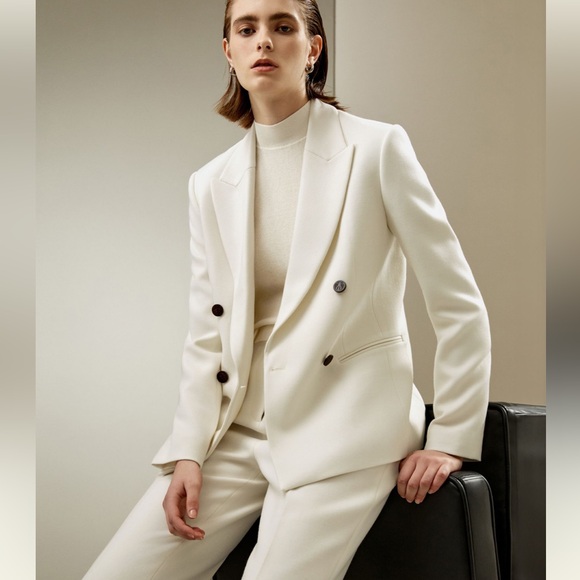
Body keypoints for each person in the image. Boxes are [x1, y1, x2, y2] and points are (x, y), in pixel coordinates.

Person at [83, 0, 491, 578]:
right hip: (240, 431)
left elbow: (457, 301)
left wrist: (450, 435)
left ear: (313, 48)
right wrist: (188, 450)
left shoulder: (375, 149)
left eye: (283, 26)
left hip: (346, 426)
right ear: (229, 51)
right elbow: (207, 334)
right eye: (246, 29)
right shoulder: (210, 183)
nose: (264, 41)